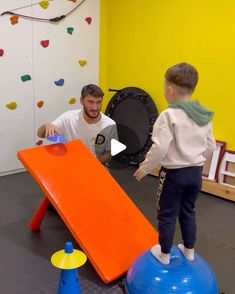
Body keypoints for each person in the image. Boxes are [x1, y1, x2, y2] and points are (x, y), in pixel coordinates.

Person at [134, 62, 216, 265]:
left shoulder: (168, 115)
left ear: (170, 90)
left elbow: (160, 148)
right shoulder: (204, 115)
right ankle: (189, 250)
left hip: (174, 176)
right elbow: (211, 146)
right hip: (195, 174)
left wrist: (144, 168)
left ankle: (164, 254)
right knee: (188, 211)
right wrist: (196, 162)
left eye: (164, 87)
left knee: (167, 213)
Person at [37, 84, 118, 165]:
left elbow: (109, 153)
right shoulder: (68, 118)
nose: (95, 107)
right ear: (82, 101)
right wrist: (47, 125)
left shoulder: (110, 124)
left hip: (95, 165)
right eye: (90, 102)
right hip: (70, 164)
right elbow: (40, 134)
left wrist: (91, 163)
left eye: (99, 102)